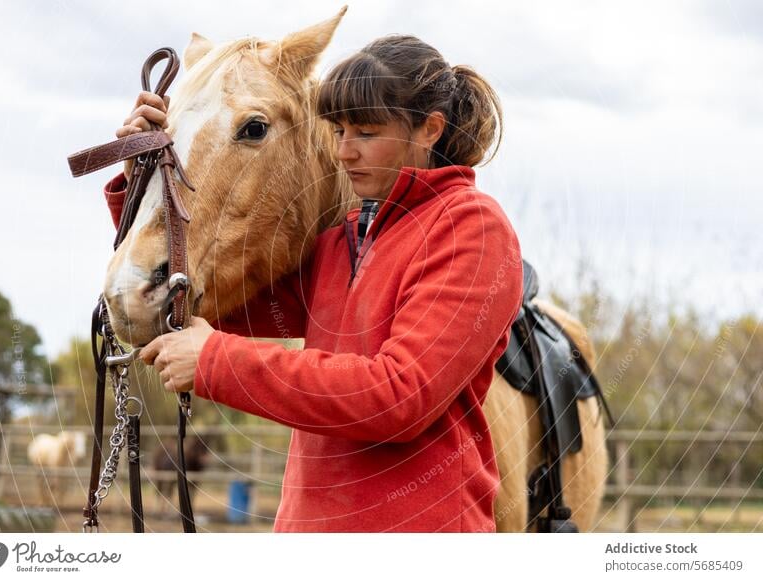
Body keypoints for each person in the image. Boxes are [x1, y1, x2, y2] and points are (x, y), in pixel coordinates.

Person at [104, 34, 523, 532]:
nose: (344, 151)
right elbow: (212, 298)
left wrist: (214, 360)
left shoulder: (471, 227)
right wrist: (140, 181)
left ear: (429, 129)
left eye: (365, 132)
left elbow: (400, 397)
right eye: (339, 130)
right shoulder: (344, 240)